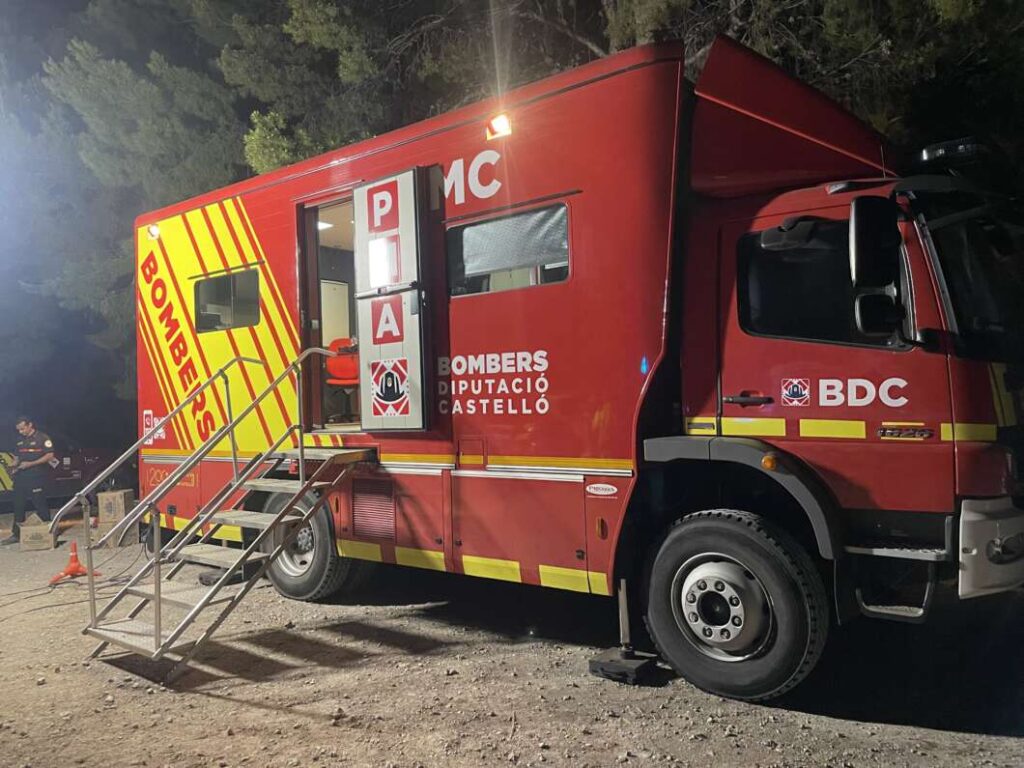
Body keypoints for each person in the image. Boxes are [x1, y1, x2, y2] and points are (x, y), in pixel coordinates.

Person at [1, 416, 56, 545]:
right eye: (18, 430)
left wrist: (31, 464)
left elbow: (50, 455)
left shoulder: (42, 438)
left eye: (22, 428)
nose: (21, 431)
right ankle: (16, 534)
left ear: (30, 425)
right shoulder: (19, 439)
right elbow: (17, 457)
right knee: (18, 505)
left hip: (36, 476)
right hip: (21, 477)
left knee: (40, 504)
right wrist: (13, 466)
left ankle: (48, 532)